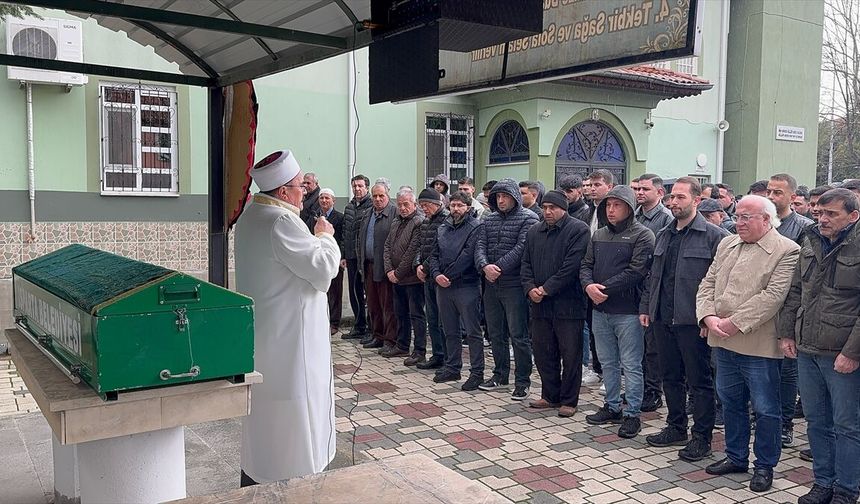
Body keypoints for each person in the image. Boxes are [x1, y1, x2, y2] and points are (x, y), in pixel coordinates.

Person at [234, 150, 340, 486]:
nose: (303, 193)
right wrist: (324, 235)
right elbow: (324, 269)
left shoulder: (252, 215)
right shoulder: (282, 221)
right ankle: (295, 484)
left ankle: (261, 475)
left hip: (268, 339)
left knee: (267, 420)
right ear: (282, 192)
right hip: (292, 344)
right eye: (299, 188)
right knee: (295, 424)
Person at [696, 195, 800, 493]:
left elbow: (772, 297)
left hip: (758, 345)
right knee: (730, 402)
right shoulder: (727, 244)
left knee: (766, 409)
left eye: (746, 217)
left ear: (767, 220)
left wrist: (732, 322)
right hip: (723, 341)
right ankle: (736, 456)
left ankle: (764, 466)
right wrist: (707, 317)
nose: (737, 222)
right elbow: (708, 283)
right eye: (737, 216)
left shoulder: (787, 250)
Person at [780, 188, 860, 504]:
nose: (822, 219)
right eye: (820, 213)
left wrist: (852, 353)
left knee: (846, 425)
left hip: (842, 354)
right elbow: (797, 290)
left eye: (831, 214)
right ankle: (823, 483)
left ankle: (846, 489)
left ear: (853, 216)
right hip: (808, 348)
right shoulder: (811, 240)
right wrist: (787, 333)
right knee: (817, 422)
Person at [641, 177, 728, 462]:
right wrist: (647, 308)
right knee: (670, 377)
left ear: (696, 201)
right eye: (671, 198)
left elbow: (721, 284)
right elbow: (653, 277)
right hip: (663, 319)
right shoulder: (665, 233)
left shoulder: (714, 237)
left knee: (699, 382)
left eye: (680, 197)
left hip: (694, 323)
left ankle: (701, 437)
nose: (673, 202)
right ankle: (675, 426)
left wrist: (709, 317)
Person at [581, 185, 655, 439]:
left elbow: (636, 272)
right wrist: (588, 285)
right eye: (608, 206)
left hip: (628, 312)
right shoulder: (599, 234)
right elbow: (586, 265)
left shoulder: (643, 235)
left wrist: (603, 288)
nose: (611, 210)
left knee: (631, 365)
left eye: (617, 205)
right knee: (608, 362)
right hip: (600, 310)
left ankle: (632, 413)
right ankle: (612, 406)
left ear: (630, 208)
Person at [522, 190, 590, 417]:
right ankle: (550, 395)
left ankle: (569, 400)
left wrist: (546, 288)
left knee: (570, 354)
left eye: (553, 208)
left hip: (568, 304)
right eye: (545, 208)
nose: (548, 212)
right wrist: (530, 287)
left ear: (564, 208)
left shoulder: (578, 230)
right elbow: (526, 263)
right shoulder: (534, 231)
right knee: (543, 351)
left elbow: (572, 266)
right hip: (539, 304)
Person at [475, 178, 539, 400]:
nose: (501, 201)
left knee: (518, 334)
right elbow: (480, 245)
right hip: (491, 284)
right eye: (498, 197)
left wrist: (498, 267)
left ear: (515, 198)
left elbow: (522, 248)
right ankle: (500, 374)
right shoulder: (489, 220)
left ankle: (522, 381)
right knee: (495, 333)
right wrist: (484, 266)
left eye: (505, 197)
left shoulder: (529, 218)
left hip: (513, 284)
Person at [766, 173, 814, 447]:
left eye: (778, 193)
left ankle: (784, 423)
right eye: (770, 191)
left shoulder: (803, 228)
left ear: (793, 197)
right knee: (762, 370)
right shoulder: (761, 222)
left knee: (786, 373)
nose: (772, 197)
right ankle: (764, 416)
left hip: (789, 312)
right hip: (761, 313)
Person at [430, 191, 485, 389]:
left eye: (460, 206)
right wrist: (436, 274)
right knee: (449, 329)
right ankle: (453, 367)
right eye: (453, 205)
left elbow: (468, 255)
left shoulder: (476, 227)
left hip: (466, 284)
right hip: (443, 285)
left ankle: (477, 371)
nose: (455, 209)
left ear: (468, 208)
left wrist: (448, 276)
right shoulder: (443, 227)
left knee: (472, 331)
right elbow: (434, 253)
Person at [634, 173, 674, 413]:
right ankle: (640, 387)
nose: (639, 193)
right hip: (635, 288)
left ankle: (653, 391)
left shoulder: (666, 220)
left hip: (653, 286)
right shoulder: (635, 215)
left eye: (645, 189)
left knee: (652, 347)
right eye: (637, 189)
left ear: (659, 193)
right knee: (637, 345)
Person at [383, 189, 427, 365]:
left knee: (416, 315)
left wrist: (398, 273)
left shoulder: (419, 222)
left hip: (412, 279)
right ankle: (402, 345)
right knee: (400, 313)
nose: (402, 208)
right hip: (396, 278)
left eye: (406, 204)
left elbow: (412, 251)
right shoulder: (396, 222)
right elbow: (387, 247)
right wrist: (389, 271)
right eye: (400, 204)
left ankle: (419, 351)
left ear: (414, 204)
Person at [358, 182, 398, 352]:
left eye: (381, 195)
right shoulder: (368, 213)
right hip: (368, 266)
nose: (378, 199)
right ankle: (378, 335)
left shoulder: (394, 212)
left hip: (385, 267)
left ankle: (390, 340)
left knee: (387, 305)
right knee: (373, 304)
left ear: (388, 195)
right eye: (375, 196)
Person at [415, 188, 450, 370]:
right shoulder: (426, 222)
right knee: (432, 318)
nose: (424, 209)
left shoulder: (446, 221)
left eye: (426, 205)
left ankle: (447, 357)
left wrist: (425, 266)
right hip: (426, 275)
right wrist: (418, 265)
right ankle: (437, 354)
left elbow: (440, 250)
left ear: (437, 204)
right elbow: (421, 247)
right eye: (421, 206)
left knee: (443, 320)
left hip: (439, 274)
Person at [342, 175, 373, 342]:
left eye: (360, 186)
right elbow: (346, 233)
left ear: (366, 187)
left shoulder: (371, 207)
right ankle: (359, 325)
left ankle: (371, 328)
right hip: (352, 257)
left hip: (365, 258)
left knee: (369, 293)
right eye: (354, 186)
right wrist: (344, 255)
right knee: (354, 293)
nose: (357, 189)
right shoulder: (349, 207)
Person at [317, 188, 345, 335]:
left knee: (335, 293)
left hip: (335, 260)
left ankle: (334, 322)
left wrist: (341, 257)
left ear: (333, 200)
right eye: (321, 198)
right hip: (319, 259)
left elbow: (342, 238)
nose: (324, 201)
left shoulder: (339, 217)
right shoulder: (315, 216)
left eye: (327, 198)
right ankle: (323, 320)